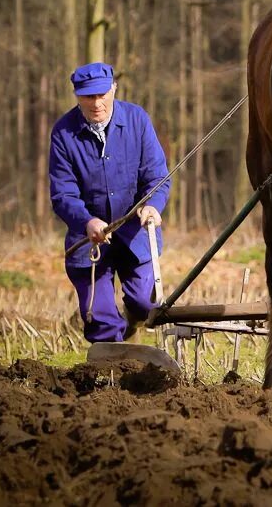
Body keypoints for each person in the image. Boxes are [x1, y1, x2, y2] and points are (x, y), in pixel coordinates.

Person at [49, 62, 170, 342]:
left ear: (114, 88)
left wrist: (152, 205)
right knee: (100, 318)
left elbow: (156, 176)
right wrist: (87, 221)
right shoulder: (63, 134)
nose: (97, 103)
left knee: (145, 303)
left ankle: (131, 325)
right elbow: (62, 194)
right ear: (77, 95)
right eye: (88, 96)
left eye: (102, 94)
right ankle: (109, 375)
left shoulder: (137, 120)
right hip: (90, 240)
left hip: (135, 234)